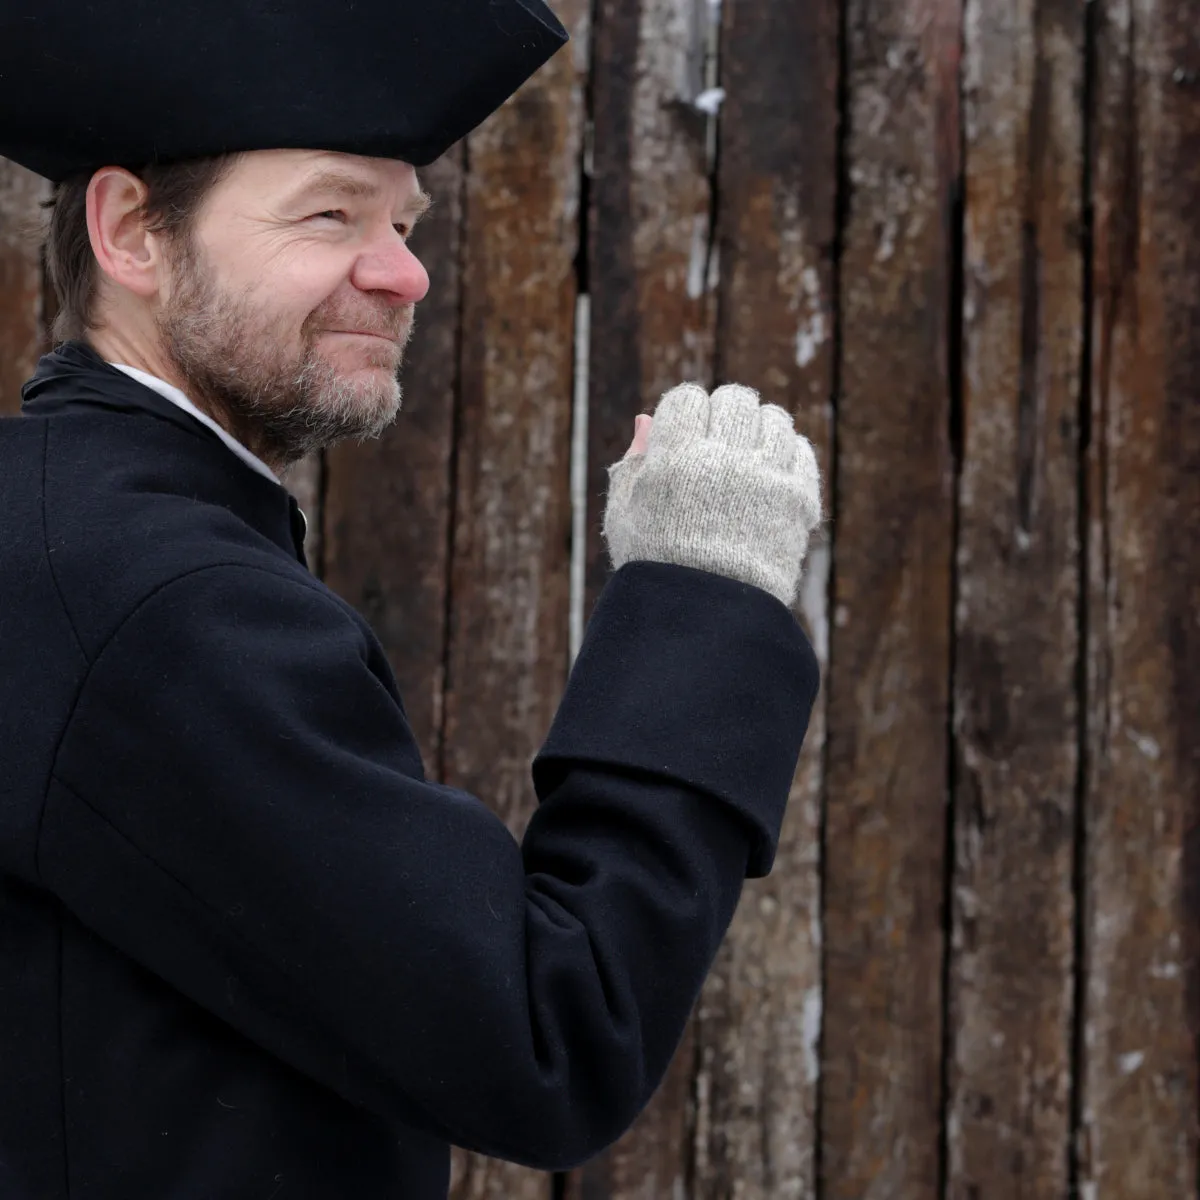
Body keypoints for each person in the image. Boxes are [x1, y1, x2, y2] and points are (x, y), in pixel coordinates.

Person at [0, 2, 823, 1196]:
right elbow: (550, 1034)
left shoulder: (54, 533)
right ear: (132, 231)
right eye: (332, 213)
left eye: (403, 220)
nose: (402, 272)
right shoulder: (154, 600)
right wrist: (705, 591)